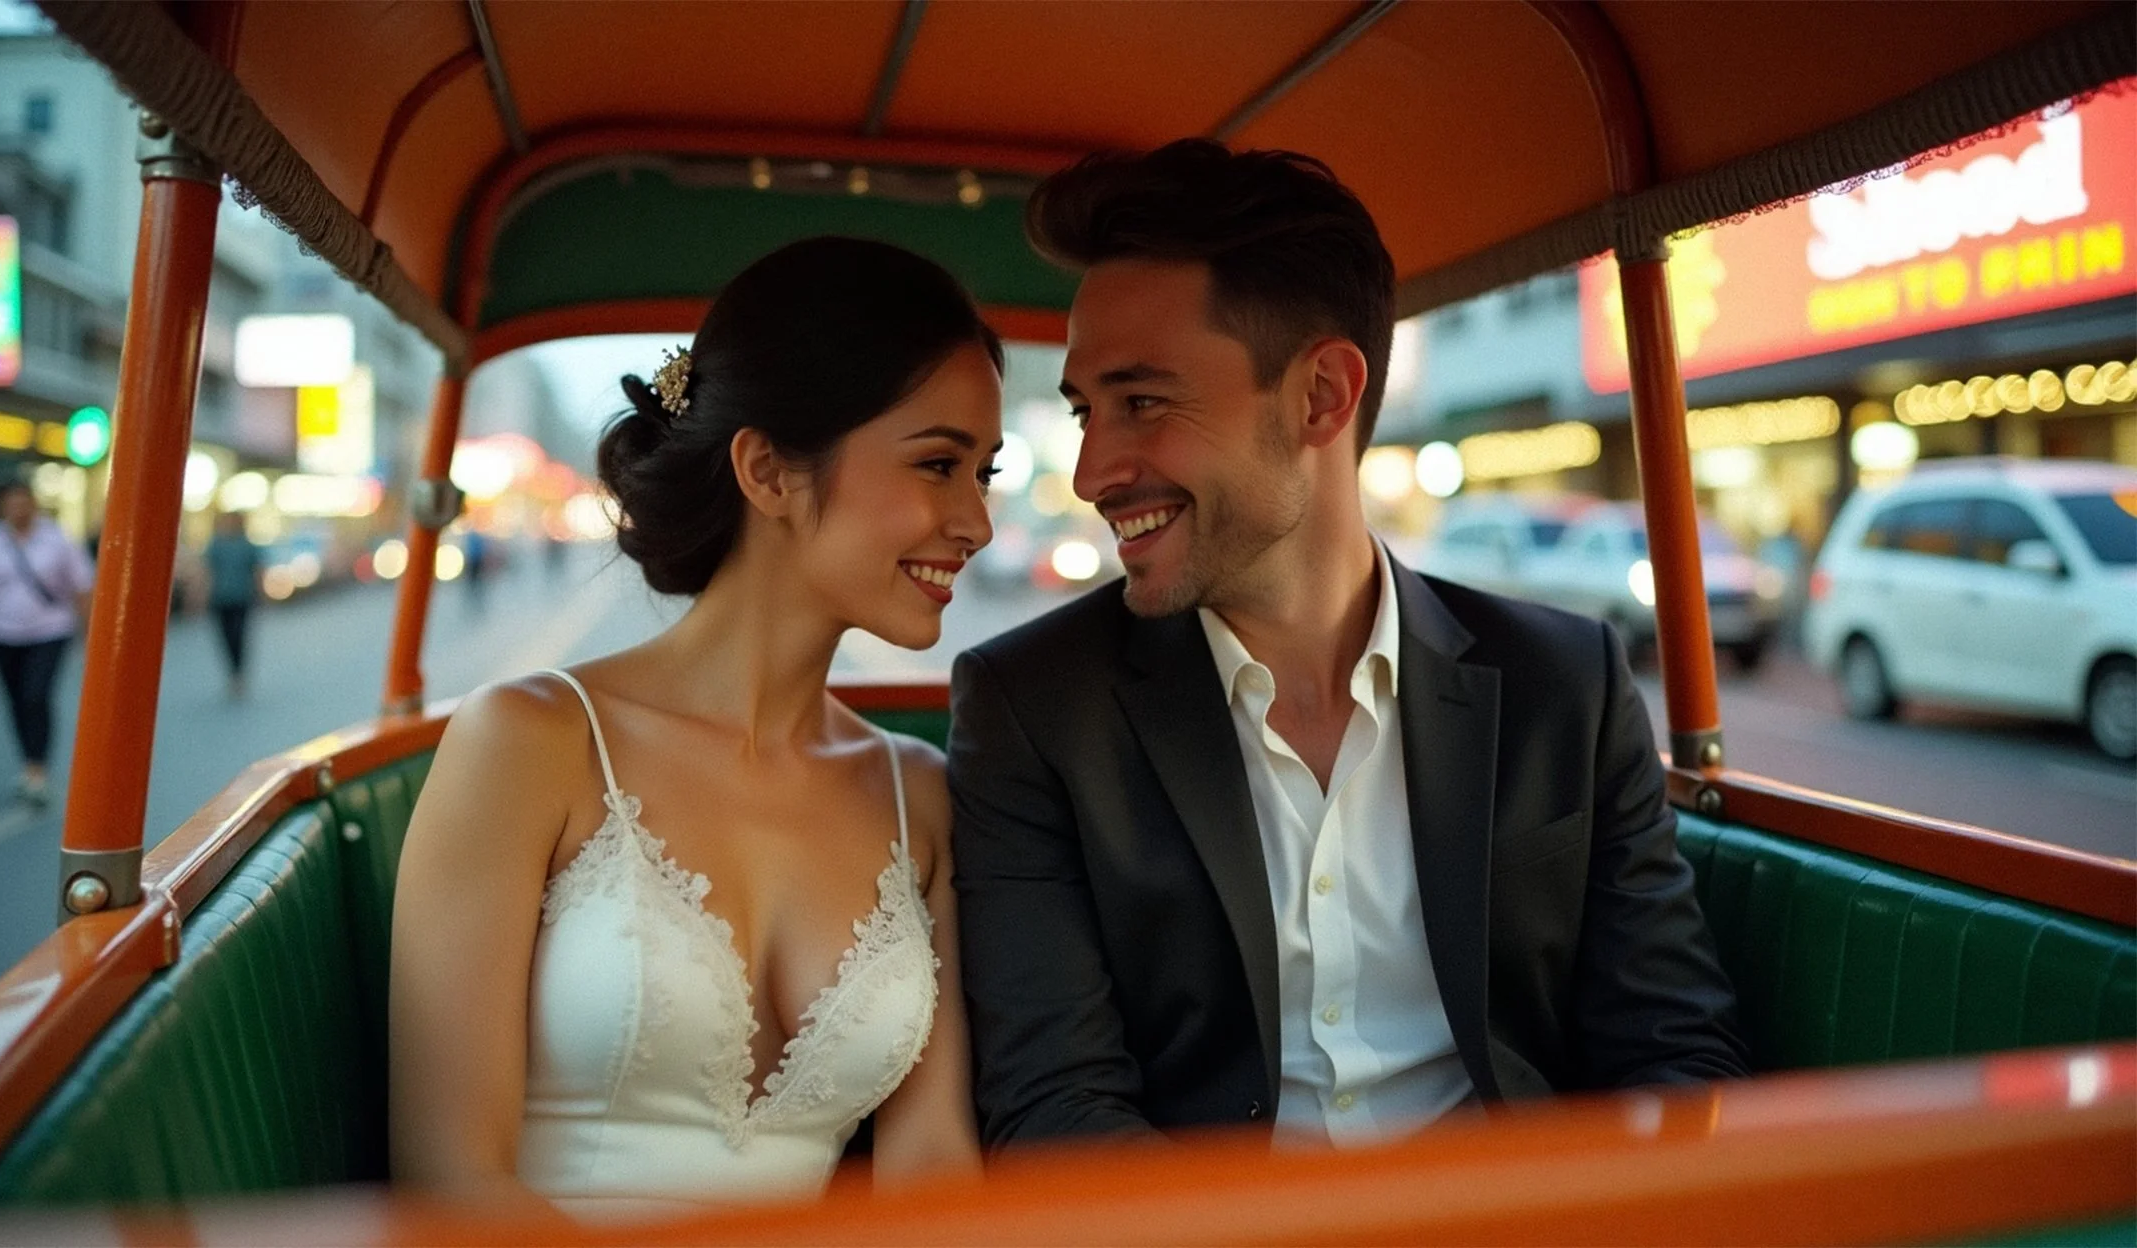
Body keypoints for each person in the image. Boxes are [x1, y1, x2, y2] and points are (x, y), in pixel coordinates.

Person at [949, 140, 1746, 1153]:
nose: (1093, 470)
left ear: (1322, 394)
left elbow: (1675, 1049)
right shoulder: (1035, 707)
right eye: (1084, 412)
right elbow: (1058, 1107)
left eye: (1142, 402)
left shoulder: (1564, 685)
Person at [389, 238, 1001, 1221]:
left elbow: (931, 1165)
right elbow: (454, 1176)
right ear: (767, 470)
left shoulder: (918, 795)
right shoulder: (530, 744)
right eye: (939, 464)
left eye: (984, 473)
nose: (978, 520)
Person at [0, 481, 95, 807]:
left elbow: (81, 588)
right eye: (11, 504)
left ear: (33, 505)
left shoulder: (57, 539)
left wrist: (89, 633)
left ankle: (38, 768)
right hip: (4, 633)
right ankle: (28, 761)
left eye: (23, 503)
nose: (18, 510)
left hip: (50, 631)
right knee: (17, 701)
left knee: (36, 696)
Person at [203, 510, 263, 698]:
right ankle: (233, 672)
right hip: (220, 599)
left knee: (239, 635)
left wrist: (260, 593)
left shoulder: (246, 545)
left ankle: (238, 674)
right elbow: (207, 572)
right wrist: (199, 596)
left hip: (241, 597)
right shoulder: (216, 545)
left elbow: (257, 571)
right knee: (225, 637)